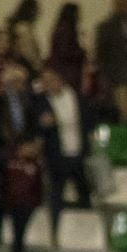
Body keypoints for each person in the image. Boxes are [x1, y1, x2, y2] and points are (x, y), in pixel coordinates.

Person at [35, 66, 92, 234]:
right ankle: (56, 231)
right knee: (55, 195)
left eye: (50, 81)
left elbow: (88, 120)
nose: (47, 85)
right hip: (56, 155)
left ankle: (85, 229)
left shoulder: (76, 97)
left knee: (84, 193)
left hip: (78, 152)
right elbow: (35, 125)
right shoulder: (40, 102)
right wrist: (43, 124)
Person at [94, 0, 127, 124]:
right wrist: (106, 79)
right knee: (124, 115)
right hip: (119, 79)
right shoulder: (106, 27)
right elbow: (100, 56)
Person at [1, 135, 44, 252]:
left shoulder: (35, 165)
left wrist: (36, 202)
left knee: (21, 231)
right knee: (16, 231)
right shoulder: (10, 162)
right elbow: (4, 182)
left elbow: (38, 186)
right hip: (12, 202)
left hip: (28, 204)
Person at [48, 2, 86, 92]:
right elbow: (65, 52)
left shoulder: (59, 29)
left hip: (62, 70)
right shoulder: (66, 31)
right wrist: (81, 53)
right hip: (68, 72)